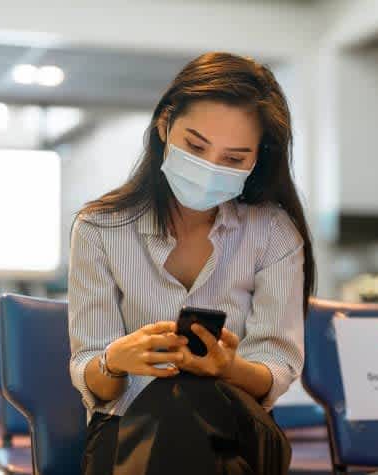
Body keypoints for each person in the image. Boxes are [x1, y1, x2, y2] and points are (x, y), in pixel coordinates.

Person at [67, 52, 316, 474]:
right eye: (195, 146)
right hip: (128, 432)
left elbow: (278, 367)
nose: (209, 168)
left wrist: (229, 368)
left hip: (238, 431)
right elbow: (91, 373)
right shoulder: (100, 228)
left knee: (188, 399)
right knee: (172, 405)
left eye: (234, 159)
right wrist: (116, 360)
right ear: (164, 125)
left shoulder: (274, 233)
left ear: (258, 159)